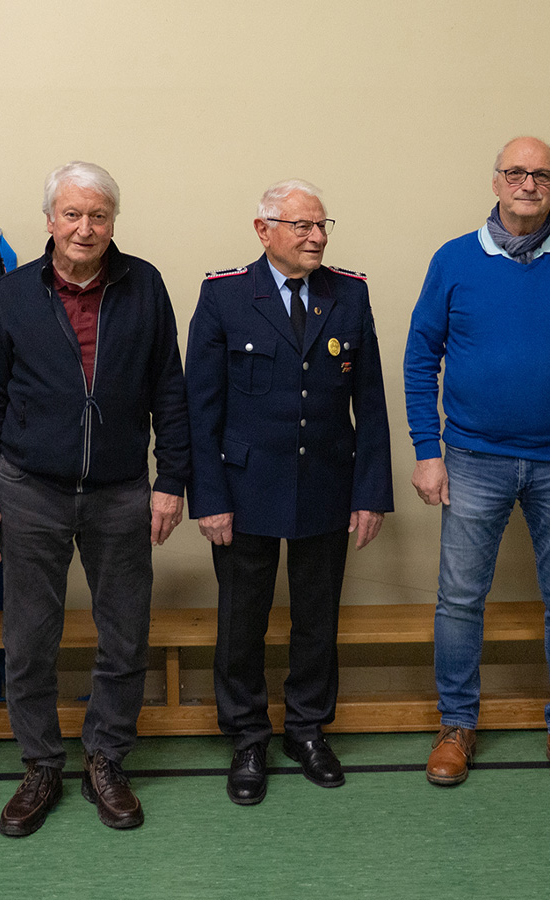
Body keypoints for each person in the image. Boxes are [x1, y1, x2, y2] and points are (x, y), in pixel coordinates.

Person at [0, 162, 191, 836]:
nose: (84, 228)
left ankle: (106, 760)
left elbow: (170, 391)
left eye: (98, 216)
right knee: (30, 640)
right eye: (71, 214)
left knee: (124, 636)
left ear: (112, 221)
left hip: (122, 491)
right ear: (50, 221)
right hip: (30, 490)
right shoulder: (11, 294)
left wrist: (171, 480)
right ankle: (39, 764)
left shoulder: (144, 285)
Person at [405, 136, 550, 793]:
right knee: (458, 601)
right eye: (516, 172)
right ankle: (456, 726)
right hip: (471, 457)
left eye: (541, 174)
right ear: (496, 180)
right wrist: (428, 450)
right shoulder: (454, 260)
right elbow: (421, 355)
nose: (527, 183)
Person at [186, 179, 393, 805]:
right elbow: (201, 408)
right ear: (263, 230)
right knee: (241, 619)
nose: (317, 237)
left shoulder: (348, 295)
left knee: (316, 617)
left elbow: (371, 403)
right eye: (302, 226)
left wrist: (370, 493)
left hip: (326, 481)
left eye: (322, 225)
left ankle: (306, 729)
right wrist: (210, 497)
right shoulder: (223, 295)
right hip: (245, 487)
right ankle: (248, 735)